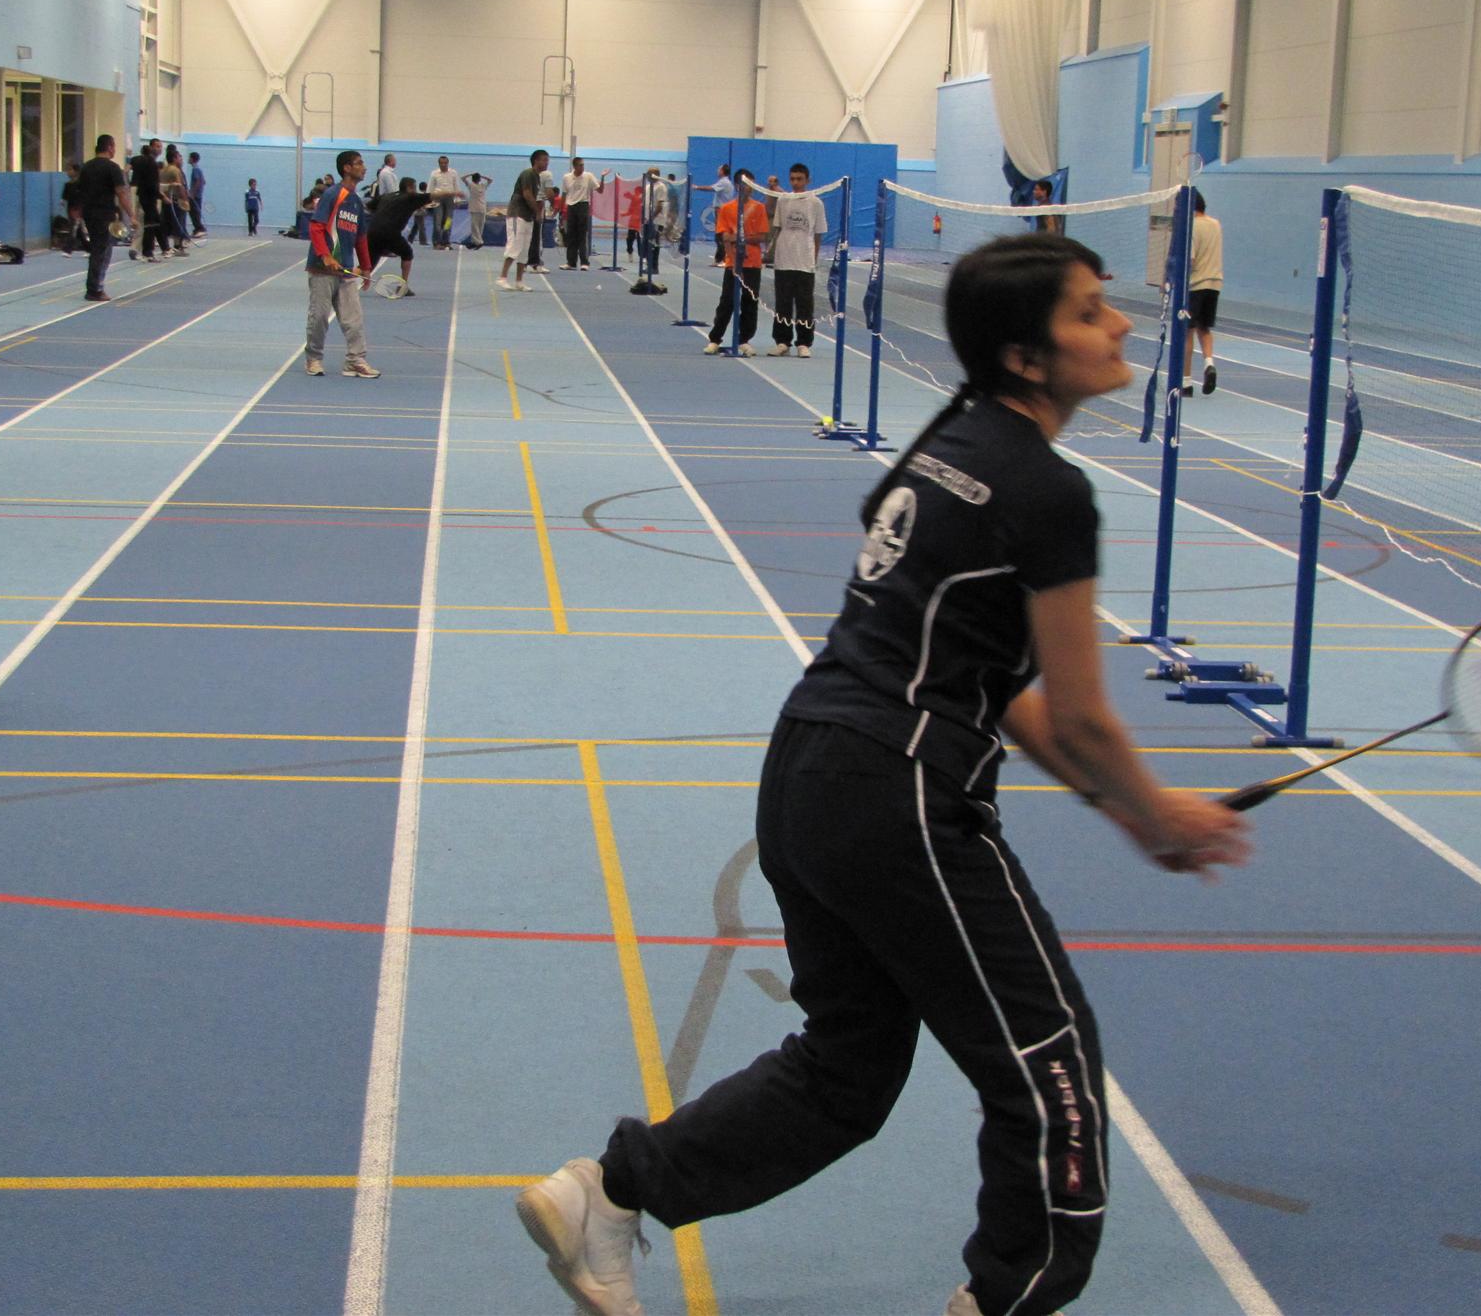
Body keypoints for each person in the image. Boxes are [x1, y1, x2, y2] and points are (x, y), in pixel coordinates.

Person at [517, 231, 1251, 1316]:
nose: (1120, 324)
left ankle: (606, 1196)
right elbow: (1086, 715)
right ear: (1025, 356)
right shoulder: (1046, 491)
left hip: (808, 769)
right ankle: (1005, 1302)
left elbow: (1000, 687)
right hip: (899, 792)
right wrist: (1157, 811)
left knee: (847, 1068)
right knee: (1046, 1071)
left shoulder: (944, 442)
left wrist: (1129, 815)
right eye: (1090, 310)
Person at [303, 149, 380, 379]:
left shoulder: (356, 202)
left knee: (353, 319)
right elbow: (316, 226)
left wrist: (366, 267)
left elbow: (361, 237)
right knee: (319, 317)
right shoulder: (332, 194)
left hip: (346, 270)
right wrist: (325, 255)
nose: (363, 167)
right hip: (322, 269)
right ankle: (314, 358)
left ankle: (355, 361)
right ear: (347, 168)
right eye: (359, 163)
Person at [705, 171, 768, 357]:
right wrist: (732, 255)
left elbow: (761, 237)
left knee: (750, 303)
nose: (748, 188)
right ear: (737, 185)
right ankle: (715, 339)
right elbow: (725, 236)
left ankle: (743, 340)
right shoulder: (726, 209)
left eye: (751, 184)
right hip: (734, 264)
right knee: (727, 302)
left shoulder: (759, 208)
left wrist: (741, 238)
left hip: (753, 263)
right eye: (744, 184)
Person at [769, 162, 827, 358]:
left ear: (807, 180)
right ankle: (782, 341)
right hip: (783, 260)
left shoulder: (816, 203)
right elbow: (777, 228)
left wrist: (813, 259)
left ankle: (803, 342)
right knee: (782, 304)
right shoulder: (783, 200)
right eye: (792, 179)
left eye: (799, 179)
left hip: (805, 263)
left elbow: (818, 234)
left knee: (805, 305)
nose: (795, 182)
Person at [76, 133, 134, 303]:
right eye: (114, 146)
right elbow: (122, 193)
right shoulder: (112, 168)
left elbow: (79, 191)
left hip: (89, 213)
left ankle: (94, 286)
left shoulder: (85, 167)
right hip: (105, 214)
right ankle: (95, 289)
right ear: (109, 147)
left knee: (97, 250)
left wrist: (79, 213)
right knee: (102, 252)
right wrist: (131, 215)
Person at [1183, 189, 1222, 396]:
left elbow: (1190, 259)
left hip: (1194, 284)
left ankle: (1186, 382)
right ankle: (1209, 363)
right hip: (1214, 283)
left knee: (1186, 332)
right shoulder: (1216, 225)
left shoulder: (1191, 227)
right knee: (1204, 328)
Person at [367, 178, 435, 298]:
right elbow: (436, 195)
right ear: (409, 187)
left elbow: (368, 207)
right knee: (407, 253)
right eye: (414, 187)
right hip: (390, 233)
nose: (415, 190)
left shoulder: (387, 196)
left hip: (372, 231)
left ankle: (345, 280)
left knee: (369, 265)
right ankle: (403, 286)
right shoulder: (410, 198)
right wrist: (453, 193)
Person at [499, 150, 550, 292]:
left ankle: (519, 281)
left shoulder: (537, 178)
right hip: (518, 214)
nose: (547, 163)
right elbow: (527, 195)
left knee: (524, 250)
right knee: (514, 245)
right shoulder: (528, 174)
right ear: (536, 161)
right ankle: (502, 277)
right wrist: (538, 211)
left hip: (528, 217)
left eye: (548, 160)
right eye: (544, 160)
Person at [560, 157, 600, 271]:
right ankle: (571, 262)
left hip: (583, 205)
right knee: (571, 236)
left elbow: (600, 189)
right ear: (575, 166)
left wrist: (602, 177)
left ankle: (584, 262)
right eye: (580, 165)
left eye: (583, 165)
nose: (582, 167)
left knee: (582, 235)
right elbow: (564, 193)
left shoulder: (588, 176)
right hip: (571, 207)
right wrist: (560, 210)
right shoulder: (567, 177)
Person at [129, 139, 164, 261]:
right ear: (150, 148)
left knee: (142, 220)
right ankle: (149, 251)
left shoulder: (138, 160)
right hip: (144, 194)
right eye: (157, 146)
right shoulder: (150, 163)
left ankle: (135, 248)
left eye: (161, 147)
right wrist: (160, 195)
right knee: (148, 220)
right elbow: (152, 183)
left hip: (140, 192)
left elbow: (126, 170)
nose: (159, 149)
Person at [159, 145, 191, 256]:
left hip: (166, 201)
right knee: (179, 223)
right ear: (174, 159)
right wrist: (185, 200)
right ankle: (178, 246)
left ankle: (166, 247)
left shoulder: (163, 170)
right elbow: (179, 186)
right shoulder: (175, 170)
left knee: (166, 224)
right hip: (176, 201)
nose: (181, 160)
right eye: (179, 157)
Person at [429, 155, 460, 250]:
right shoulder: (434, 173)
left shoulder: (453, 173)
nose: (443, 165)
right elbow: (430, 187)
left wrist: (457, 200)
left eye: (445, 163)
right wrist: (428, 200)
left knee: (448, 221)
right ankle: (437, 242)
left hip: (450, 199)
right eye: (441, 163)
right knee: (437, 222)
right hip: (438, 199)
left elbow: (456, 186)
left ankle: (446, 242)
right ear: (439, 164)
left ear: (448, 163)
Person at [709, 163, 732, 266]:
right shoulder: (724, 182)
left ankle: (722, 259)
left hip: (722, 211)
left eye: (719, 169)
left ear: (722, 171)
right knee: (719, 235)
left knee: (720, 235)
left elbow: (711, 188)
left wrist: (696, 187)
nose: (717, 171)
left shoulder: (724, 182)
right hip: (721, 210)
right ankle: (720, 258)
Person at [461, 171, 490, 250]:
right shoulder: (483, 186)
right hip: (482, 208)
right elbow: (490, 180)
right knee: (480, 226)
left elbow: (462, 178)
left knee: (474, 226)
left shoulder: (471, 185)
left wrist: (470, 174)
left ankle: (479, 241)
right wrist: (482, 176)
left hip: (474, 208)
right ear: (479, 179)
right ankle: (474, 242)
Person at [186, 152, 207, 239]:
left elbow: (199, 181)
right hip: (198, 195)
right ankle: (196, 230)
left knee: (194, 213)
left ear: (192, 159)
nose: (188, 159)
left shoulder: (195, 169)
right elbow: (204, 181)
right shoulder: (198, 169)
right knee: (195, 212)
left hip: (195, 196)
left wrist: (192, 193)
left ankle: (200, 229)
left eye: (189, 157)